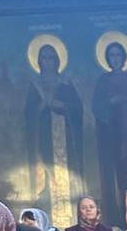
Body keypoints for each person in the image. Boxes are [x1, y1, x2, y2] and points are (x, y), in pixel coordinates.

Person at [24, 41, 84, 218]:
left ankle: (70, 215)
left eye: (51, 57)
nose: (48, 61)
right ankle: (48, 214)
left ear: (57, 60)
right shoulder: (35, 85)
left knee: (65, 173)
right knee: (47, 170)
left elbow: (77, 109)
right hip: (43, 136)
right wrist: (42, 105)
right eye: (44, 57)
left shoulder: (65, 83)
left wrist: (61, 105)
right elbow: (29, 113)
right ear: (39, 61)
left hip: (65, 137)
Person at [92, 40, 127, 220]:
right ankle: (115, 214)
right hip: (111, 138)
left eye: (118, 55)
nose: (115, 59)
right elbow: (97, 108)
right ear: (107, 59)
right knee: (115, 178)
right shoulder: (103, 82)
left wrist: (126, 104)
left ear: (124, 58)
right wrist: (110, 103)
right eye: (112, 55)